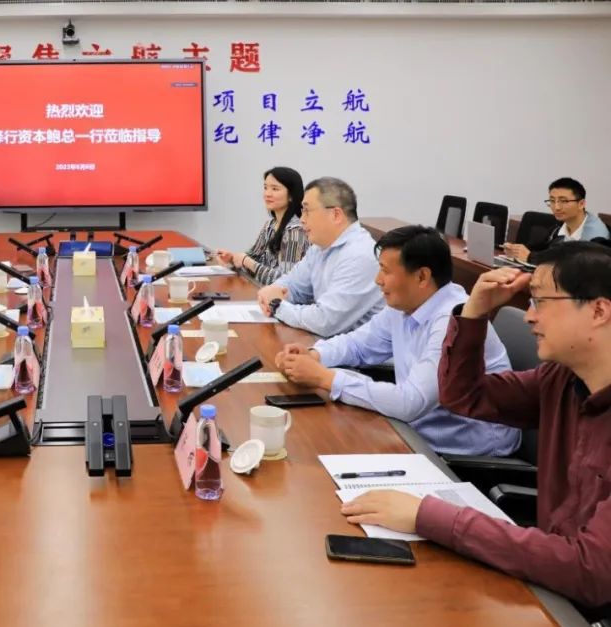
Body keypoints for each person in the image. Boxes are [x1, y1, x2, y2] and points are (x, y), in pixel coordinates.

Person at [340, 242, 611, 613]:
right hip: (551, 586)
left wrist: (427, 516)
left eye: (541, 302)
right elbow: (463, 396)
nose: (530, 317)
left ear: (598, 310)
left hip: (588, 614)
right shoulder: (561, 379)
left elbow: (590, 570)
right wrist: (474, 313)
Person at [276, 225, 519, 456]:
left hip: (468, 451)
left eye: (386, 271)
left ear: (422, 277)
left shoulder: (451, 320)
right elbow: (358, 345)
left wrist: (324, 378)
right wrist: (314, 355)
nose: (377, 280)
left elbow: (411, 403)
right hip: (418, 429)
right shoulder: (405, 304)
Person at [256, 177, 383, 337]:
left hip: (355, 351)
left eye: (307, 211)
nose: (302, 219)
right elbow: (294, 285)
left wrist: (277, 305)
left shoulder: (360, 255)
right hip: (328, 344)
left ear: (336, 215)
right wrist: (272, 291)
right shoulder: (320, 247)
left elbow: (325, 321)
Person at [215, 167, 310, 286]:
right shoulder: (270, 225)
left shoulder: (295, 231)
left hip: (283, 297)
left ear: (291, 195)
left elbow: (286, 281)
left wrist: (246, 261)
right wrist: (232, 259)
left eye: (275, 189)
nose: (267, 194)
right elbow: (253, 258)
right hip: (264, 292)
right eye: (265, 188)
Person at [502, 177, 609, 263]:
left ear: (581, 204)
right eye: (552, 201)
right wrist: (517, 250)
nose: (556, 207)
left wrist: (531, 257)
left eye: (563, 201)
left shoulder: (597, 237)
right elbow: (546, 248)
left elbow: (576, 265)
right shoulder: (559, 226)